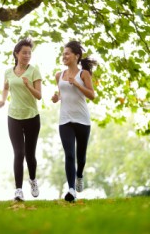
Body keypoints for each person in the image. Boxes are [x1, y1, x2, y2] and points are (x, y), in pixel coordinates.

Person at [51, 40, 97, 202]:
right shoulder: (59, 75)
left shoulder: (83, 74)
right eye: (63, 54)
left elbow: (91, 95)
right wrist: (56, 97)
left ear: (76, 56)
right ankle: (71, 189)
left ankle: (79, 175)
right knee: (69, 155)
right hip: (65, 120)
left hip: (82, 120)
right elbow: (62, 94)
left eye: (67, 53)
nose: (64, 56)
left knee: (81, 157)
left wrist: (77, 84)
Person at [0, 38, 42, 201]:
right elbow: (6, 87)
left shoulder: (34, 71)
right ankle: (18, 190)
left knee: (30, 154)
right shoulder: (8, 72)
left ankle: (33, 180)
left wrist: (28, 85)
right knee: (19, 153)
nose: (27, 55)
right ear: (17, 54)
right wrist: (2, 99)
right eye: (24, 53)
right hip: (14, 116)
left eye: (29, 53)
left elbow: (39, 96)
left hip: (31, 116)